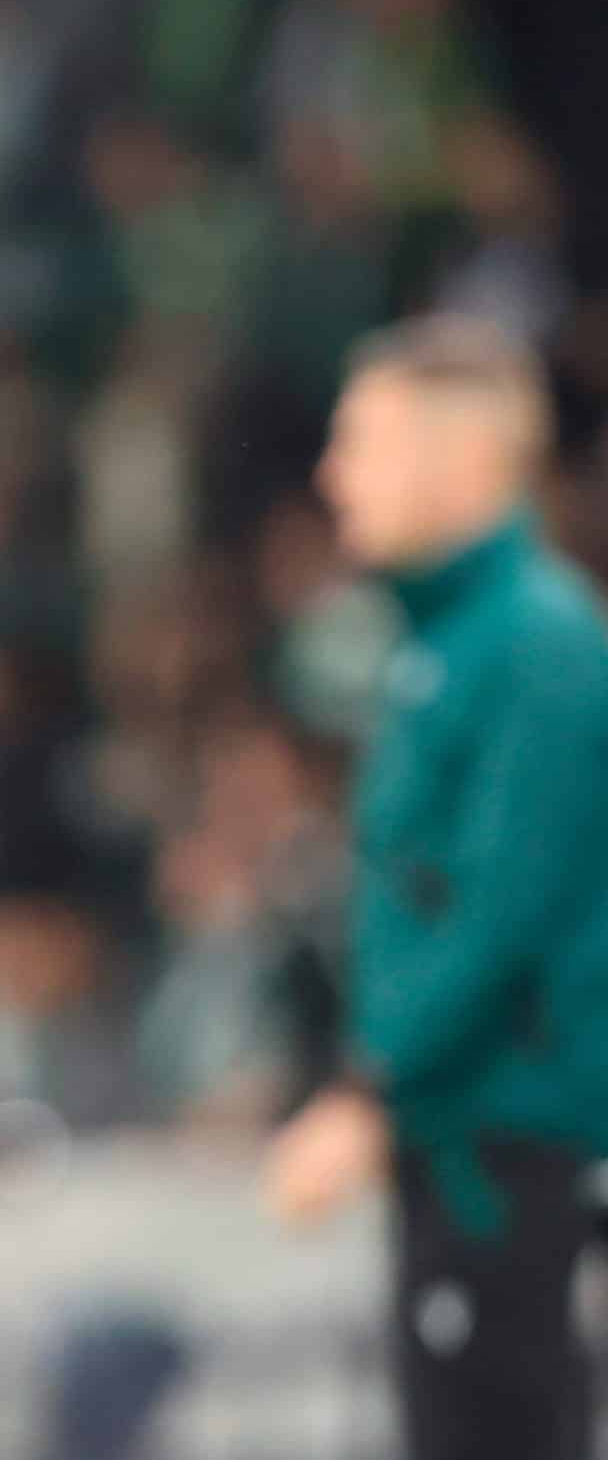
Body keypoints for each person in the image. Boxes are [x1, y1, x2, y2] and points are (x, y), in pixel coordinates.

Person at [264, 315, 608, 1460]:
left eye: (359, 441)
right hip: (459, 1145)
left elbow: (504, 913)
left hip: (506, 1153)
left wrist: (367, 1089)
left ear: (459, 460)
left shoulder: (537, 646)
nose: (331, 474)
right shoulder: (449, 643)